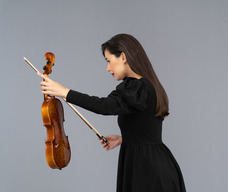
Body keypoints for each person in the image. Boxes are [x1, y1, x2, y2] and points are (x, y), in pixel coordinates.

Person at [37, 34, 186, 192]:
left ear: (123, 56)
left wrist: (64, 92)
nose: (108, 68)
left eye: (109, 61)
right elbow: (148, 130)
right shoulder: (146, 85)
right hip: (151, 162)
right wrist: (124, 139)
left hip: (147, 169)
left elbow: (105, 106)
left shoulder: (138, 87)